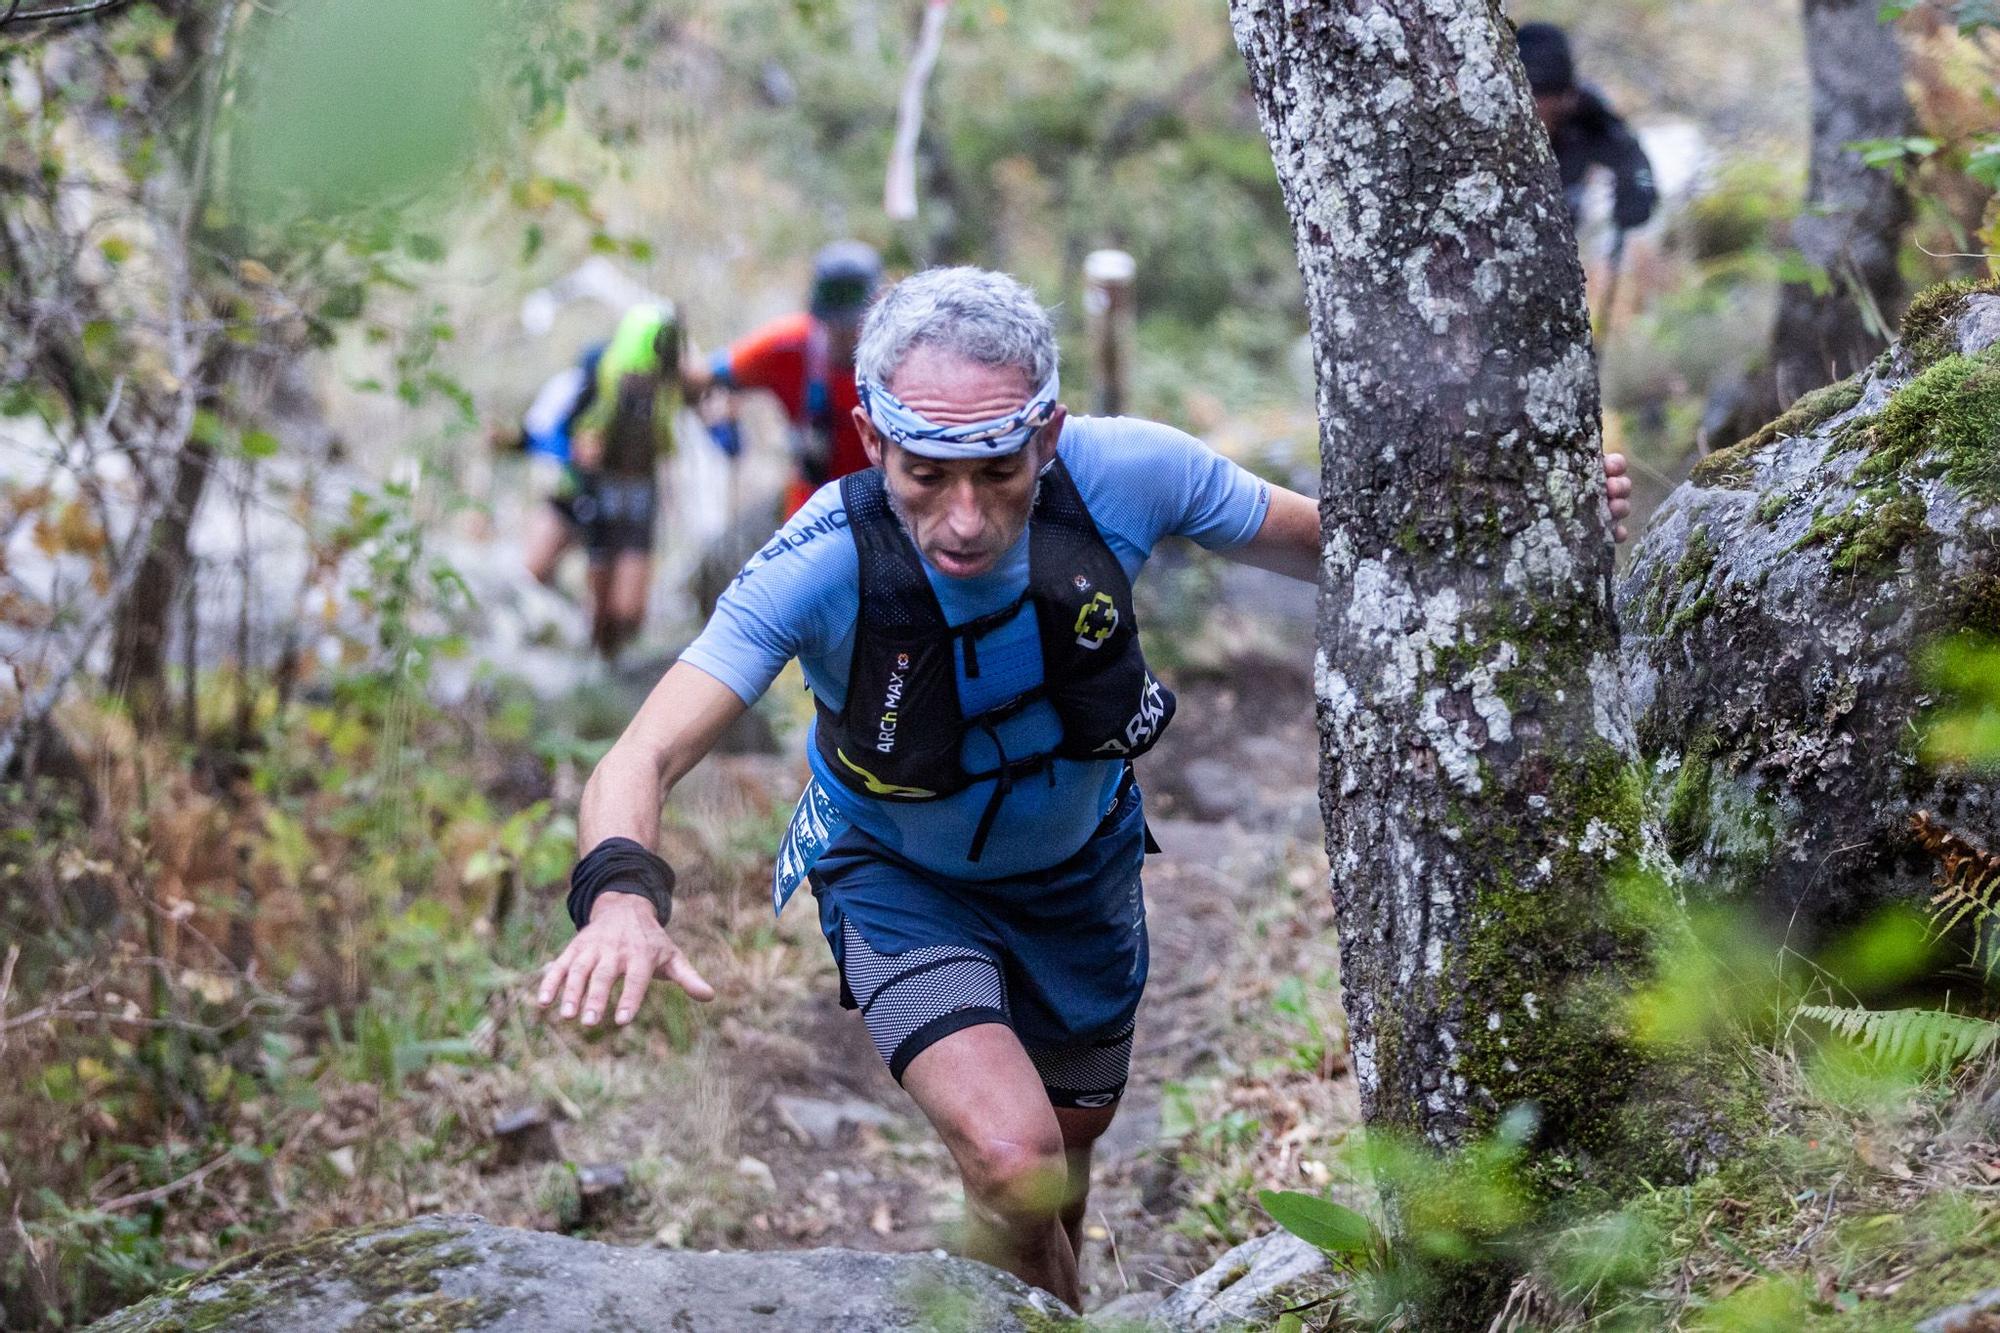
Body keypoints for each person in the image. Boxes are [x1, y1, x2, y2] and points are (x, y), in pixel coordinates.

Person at [534, 268, 1636, 1307]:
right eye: (924, 474)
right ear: (872, 442)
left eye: (998, 472)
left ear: (1046, 436)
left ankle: (1009, 1308)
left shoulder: (1130, 473)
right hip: (896, 879)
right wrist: (622, 898)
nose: (961, 519)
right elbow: (641, 752)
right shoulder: (818, 558)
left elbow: (1344, 544)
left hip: (1083, 879)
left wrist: (1527, 513)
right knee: (1016, 1168)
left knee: (1060, 1160)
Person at [521, 303, 685, 659]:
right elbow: (541, 432)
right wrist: (573, 452)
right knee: (533, 572)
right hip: (582, 493)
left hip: (635, 503)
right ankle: (558, 645)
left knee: (624, 614)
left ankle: (605, 667)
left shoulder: (669, 390)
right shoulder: (595, 375)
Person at [689, 240, 882, 518]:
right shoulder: (787, 345)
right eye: (832, 323)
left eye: (852, 323)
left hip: (892, 511)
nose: (842, 333)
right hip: (814, 514)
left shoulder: (904, 353)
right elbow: (706, 375)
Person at [1515, 21, 1657, 233]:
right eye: (1532, 109)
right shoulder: (1484, 128)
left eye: (1551, 112)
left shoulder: (1588, 117)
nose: (1543, 126)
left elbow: (1632, 157)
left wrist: (1638, 193)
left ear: (1569, 97)